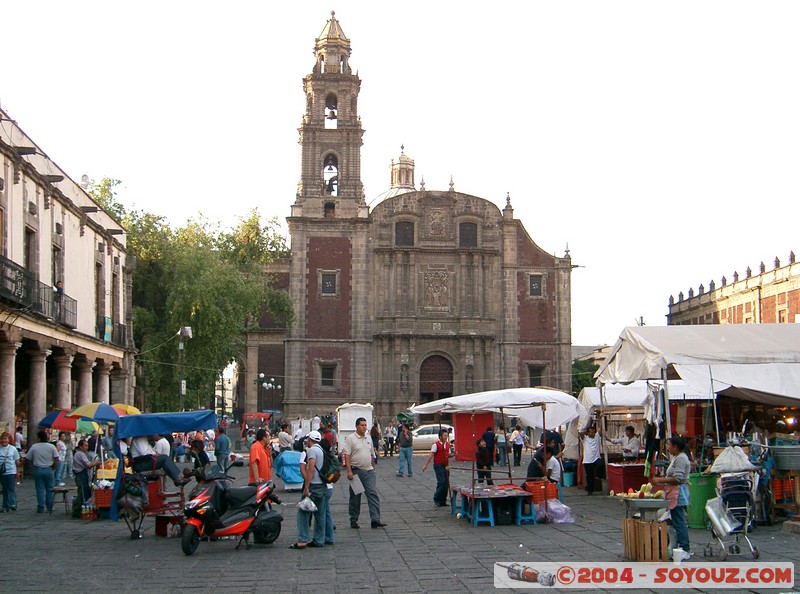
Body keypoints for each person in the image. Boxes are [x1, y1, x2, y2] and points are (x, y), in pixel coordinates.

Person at [342, 417, 386, 529]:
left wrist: (373, 467)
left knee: (372, 494)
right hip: (356, 471)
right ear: (356, 426)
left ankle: (375, 519)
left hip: (369, 471)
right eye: (362, 425)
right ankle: (353, 519)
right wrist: (348, 471)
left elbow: (371, 453)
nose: (364, 427)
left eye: (365, 425)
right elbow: (346, 455)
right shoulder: (351, 438)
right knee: (355, 497)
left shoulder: (368, 437)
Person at [652, 436, 692, 557]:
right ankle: (680, 547)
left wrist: (660, 480)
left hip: (678, 493)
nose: (668, 448)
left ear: (675, 447)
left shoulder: (681, 459)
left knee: (679, 521)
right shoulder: (677, 457)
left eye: (669, 445)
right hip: (674, 492)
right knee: (677, 521)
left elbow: (677, 478)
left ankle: (685, 549)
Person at [288, 431, 327, 549]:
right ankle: (319, 539)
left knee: (303, 512)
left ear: (310, 439)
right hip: (322, 485)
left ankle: (303, 539)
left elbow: (311, 469)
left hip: (314, 485)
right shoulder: (322, 450)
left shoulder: (312, 451)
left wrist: (306, 486)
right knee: (320, 514)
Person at [422, 428, 457, 507]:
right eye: (444, 435)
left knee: (446, 484)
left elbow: (449, 455)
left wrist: (454, 454)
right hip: (438, 465)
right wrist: (426, 464)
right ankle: (437, 497)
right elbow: (431, 455)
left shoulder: (448, 445)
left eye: (447, 435)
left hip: (446, 465)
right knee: (441, 482)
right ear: (440, 436)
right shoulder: (436, 445)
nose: (446, 436)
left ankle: (443, 500)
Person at [27, 430, 59, 513]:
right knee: (50, 489)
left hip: (38, 469)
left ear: (39, 438)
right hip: (49, 469)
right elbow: (56, 458)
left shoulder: (34, 446)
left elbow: (27, 458)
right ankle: (49, 506)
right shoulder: (51, 446)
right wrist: (53, 467)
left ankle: (40, 507)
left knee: (39, 489)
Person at [72, 438, 102, 506]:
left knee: (85, 491)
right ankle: (79, 507)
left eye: (87, 446)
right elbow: (88, 465)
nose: (87, 447)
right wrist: (96, 462)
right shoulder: (80, 454)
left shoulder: (81, 453)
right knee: (82, 492)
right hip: (80, 475)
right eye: (85, 446)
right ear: (80, 446)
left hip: (83, 474)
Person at [0, 432, 21, 512]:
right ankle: (5, 506)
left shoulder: (13, 449)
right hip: (2, 472)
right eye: (2, 439)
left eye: (5, 439)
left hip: (11, 471)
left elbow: (17, 462)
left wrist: (18, 472)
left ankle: (13, 503)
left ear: (9, 440)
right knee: (5, 489)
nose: (3, 440)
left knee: (11, 488)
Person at [579, 425, 602, 495]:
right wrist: (584, 424)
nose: (592, 434)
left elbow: (600, 428)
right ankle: (590, 490)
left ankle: (599, 476)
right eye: (591, 432)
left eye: (593, 432)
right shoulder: (585, 439)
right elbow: (581, 433)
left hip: (596, 458)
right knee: (589, 476)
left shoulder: (597, 437)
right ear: (588, 433)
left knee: (600, 466)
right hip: (587, 461)